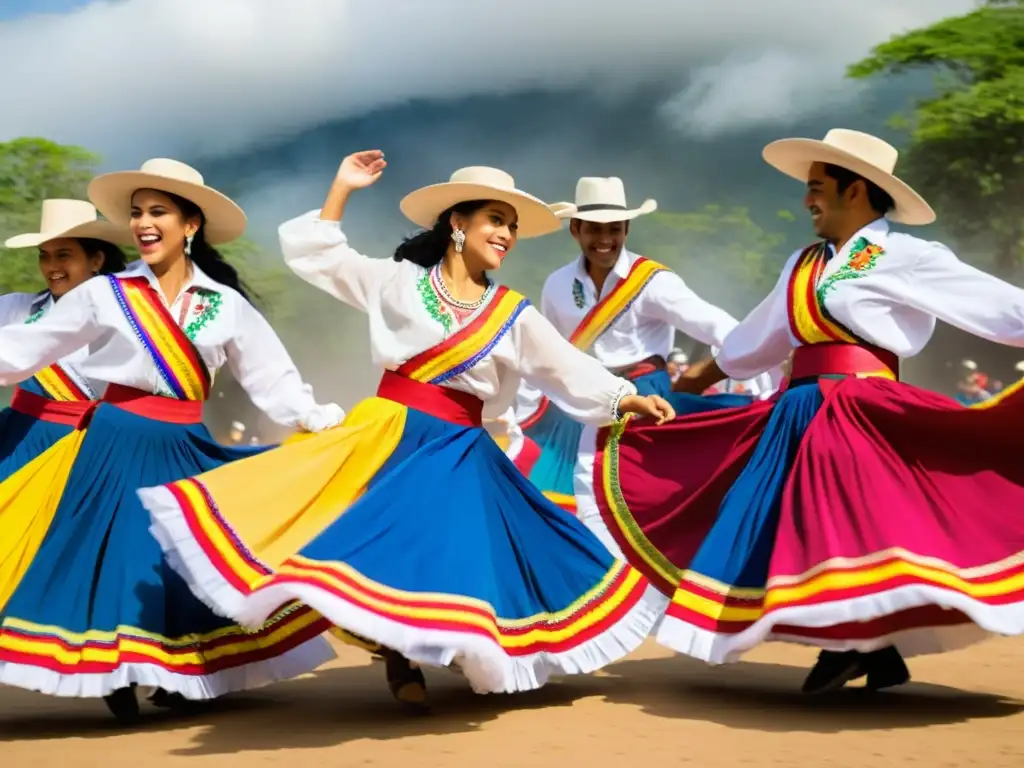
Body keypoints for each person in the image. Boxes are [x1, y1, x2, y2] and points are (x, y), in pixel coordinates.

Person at [141, 151, 674, 711]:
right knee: (382, 543)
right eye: (494, 219)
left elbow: (565, 365)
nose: (505, 234)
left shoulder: (512, 314)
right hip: (391, 432)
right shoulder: (397, 282)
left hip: (462, 449)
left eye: (511, 225)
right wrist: (342, 188)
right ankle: (397, 656)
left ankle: (451, 649)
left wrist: (627, 396)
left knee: (468, 552)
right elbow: (322, 256)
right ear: (458, 225)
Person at [591, 128, 1024, 695]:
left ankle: (851, 646)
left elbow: (1004, 309)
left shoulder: (908, 255)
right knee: (807, 523)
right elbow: (753, 343)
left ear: (857, 191)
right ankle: (870, 646)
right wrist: (687, 384)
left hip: (864, 409)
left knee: (842, 521)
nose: (806, 200)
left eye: (817, 186)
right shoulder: (803, 263)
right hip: (800, 410)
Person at [0, 159, 344, 723]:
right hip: (112, 442)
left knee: (183, 562)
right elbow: (24, 350)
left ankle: (179, 670)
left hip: (185, 441)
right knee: (118, 557)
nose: (143, 223)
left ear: (190, 225)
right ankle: (118, 673)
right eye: (136, 213)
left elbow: (273, 381)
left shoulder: (224, 306)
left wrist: (320, 420)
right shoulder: (106, 293)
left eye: (157, 211)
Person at [510, 176, 768, 548]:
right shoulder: (557, 284)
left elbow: (717, 326)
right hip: (583, 401)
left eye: (614, 229)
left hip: (644, 397)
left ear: (626, 229)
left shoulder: (651, 281)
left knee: (632, 501)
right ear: (576, 231)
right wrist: (528, 406)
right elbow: (550, 351)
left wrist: (761, 372)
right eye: (594, 229)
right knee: (560, 501)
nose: (605, 239)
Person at [0, 199, 129, 611]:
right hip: (23, 440)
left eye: (64, 254)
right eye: (45, 255)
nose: (51, 265)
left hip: (93, 449)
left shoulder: (129, 316)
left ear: (96, 259)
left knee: (84, 554)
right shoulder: (18, 308)